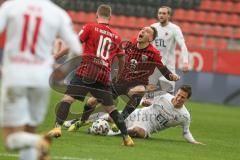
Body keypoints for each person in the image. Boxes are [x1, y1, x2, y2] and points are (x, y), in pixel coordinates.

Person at [0, 0, 82, 159]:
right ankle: (36, 141)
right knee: (29, 129)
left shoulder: (12, 7)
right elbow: (77, 49)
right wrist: (62, 72)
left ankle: (38, 141)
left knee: (11, 139)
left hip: (15, 75)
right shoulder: (57, 13)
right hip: (40, 79)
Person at [48, 4, 134, 147]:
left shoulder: (90, 27)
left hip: (87, 70)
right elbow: (122, 59)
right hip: (103, 74)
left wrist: (56, 56)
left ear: (96, 15)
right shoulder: (117, 36)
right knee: (111, 108)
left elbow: (73, 44)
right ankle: (127, 138)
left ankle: (57, 127)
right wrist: (119, 76)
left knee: (68, 99)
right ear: (110, 17)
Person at [68, 26, 180, 131]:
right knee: (91, 102)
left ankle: (120, 120)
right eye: (142, 29)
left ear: (150, 38)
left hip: (137, 83)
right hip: (120, 81)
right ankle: (82, 121)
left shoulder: (153, 53)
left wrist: (171, 76)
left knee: (140, 90)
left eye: (146, 31)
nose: (142, 31)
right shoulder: (130, 43)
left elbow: (162, 68)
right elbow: (118, 54)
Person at [89, 85, 204, 145]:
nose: (178, 98)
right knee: (110, 117)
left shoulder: (184, 116)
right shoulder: (164, 96)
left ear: (187, 99)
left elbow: (186, 132)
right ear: (176, 92)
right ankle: (78, 121)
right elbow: (142, 98)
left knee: (137, 131)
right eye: (178, 95)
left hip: (147, 128)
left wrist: (193, 141)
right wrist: (143, 101)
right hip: (139, 114)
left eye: (182, 97)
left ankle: (107, 133)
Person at [150, 6, 189, 94]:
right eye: (159, 13)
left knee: (167, 99)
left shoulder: (175, 29)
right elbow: (147, 45)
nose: (161, 15)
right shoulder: (153, 27)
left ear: (169, 16)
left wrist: (185, 62)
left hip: (168, 70)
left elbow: (183, 45)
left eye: (164, 13)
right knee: (149, 100)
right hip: (153, 69)